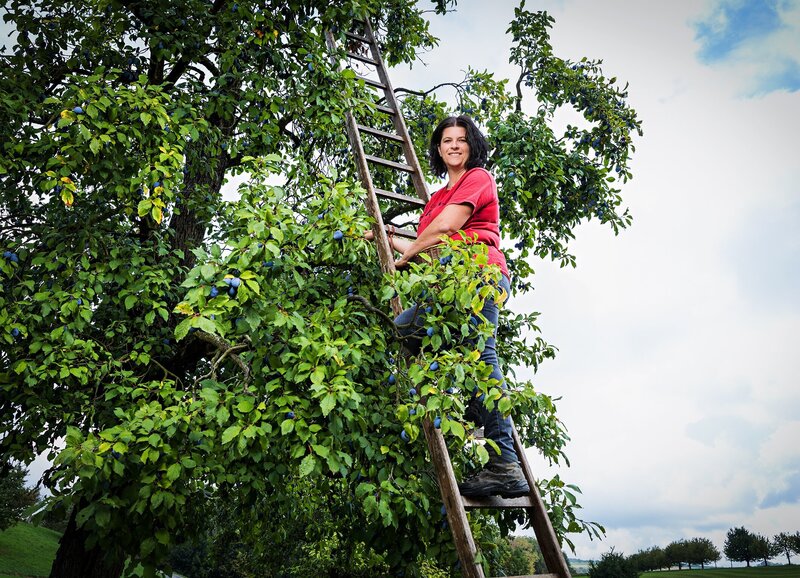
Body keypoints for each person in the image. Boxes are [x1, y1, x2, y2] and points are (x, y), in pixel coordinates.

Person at [366, 115, 529, 498]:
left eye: (461, 139)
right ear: (438, 150)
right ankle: (475, 409)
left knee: (482, 357)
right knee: (406, 329)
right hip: (448, 287)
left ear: (472, 145)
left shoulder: (478, 178)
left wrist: (408, 255)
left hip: (479, 275)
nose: (454, 145)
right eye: (447, 141)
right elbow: (428, 248)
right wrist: (387, 237)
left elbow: (445, 230)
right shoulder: (437, 198)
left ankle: (505, 465)